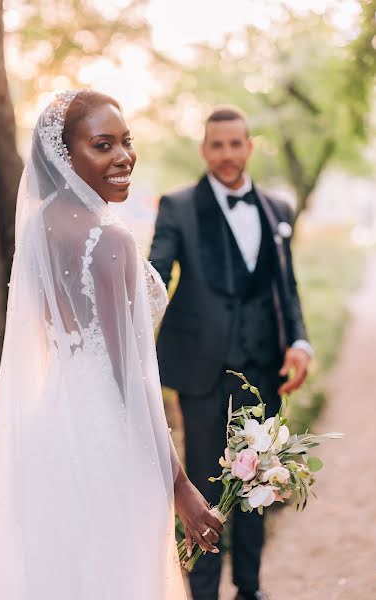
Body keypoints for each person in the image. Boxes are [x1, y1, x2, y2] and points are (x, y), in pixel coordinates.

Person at [0, 89, 224, 600]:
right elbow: (129, 377)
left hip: (49, 426)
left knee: (59, 571)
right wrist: (181, 488)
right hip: (108, 434)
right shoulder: (110, 238)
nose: (123, 157)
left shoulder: (38, 227)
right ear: (65, 155)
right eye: (102, 145)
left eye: (126, 142)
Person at [149, 106, 312, 600]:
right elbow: (155, 277)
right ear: (204, 150)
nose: (226, 154)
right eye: (216, 145)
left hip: (264, 367)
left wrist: (300, 342)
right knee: (203, 485)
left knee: (261, 481)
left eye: (235, 144)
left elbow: (286, 286)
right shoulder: (177, 206)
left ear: (249, 147)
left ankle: (250, 589)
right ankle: (202, 594)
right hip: (202, 372)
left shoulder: (277, 209)